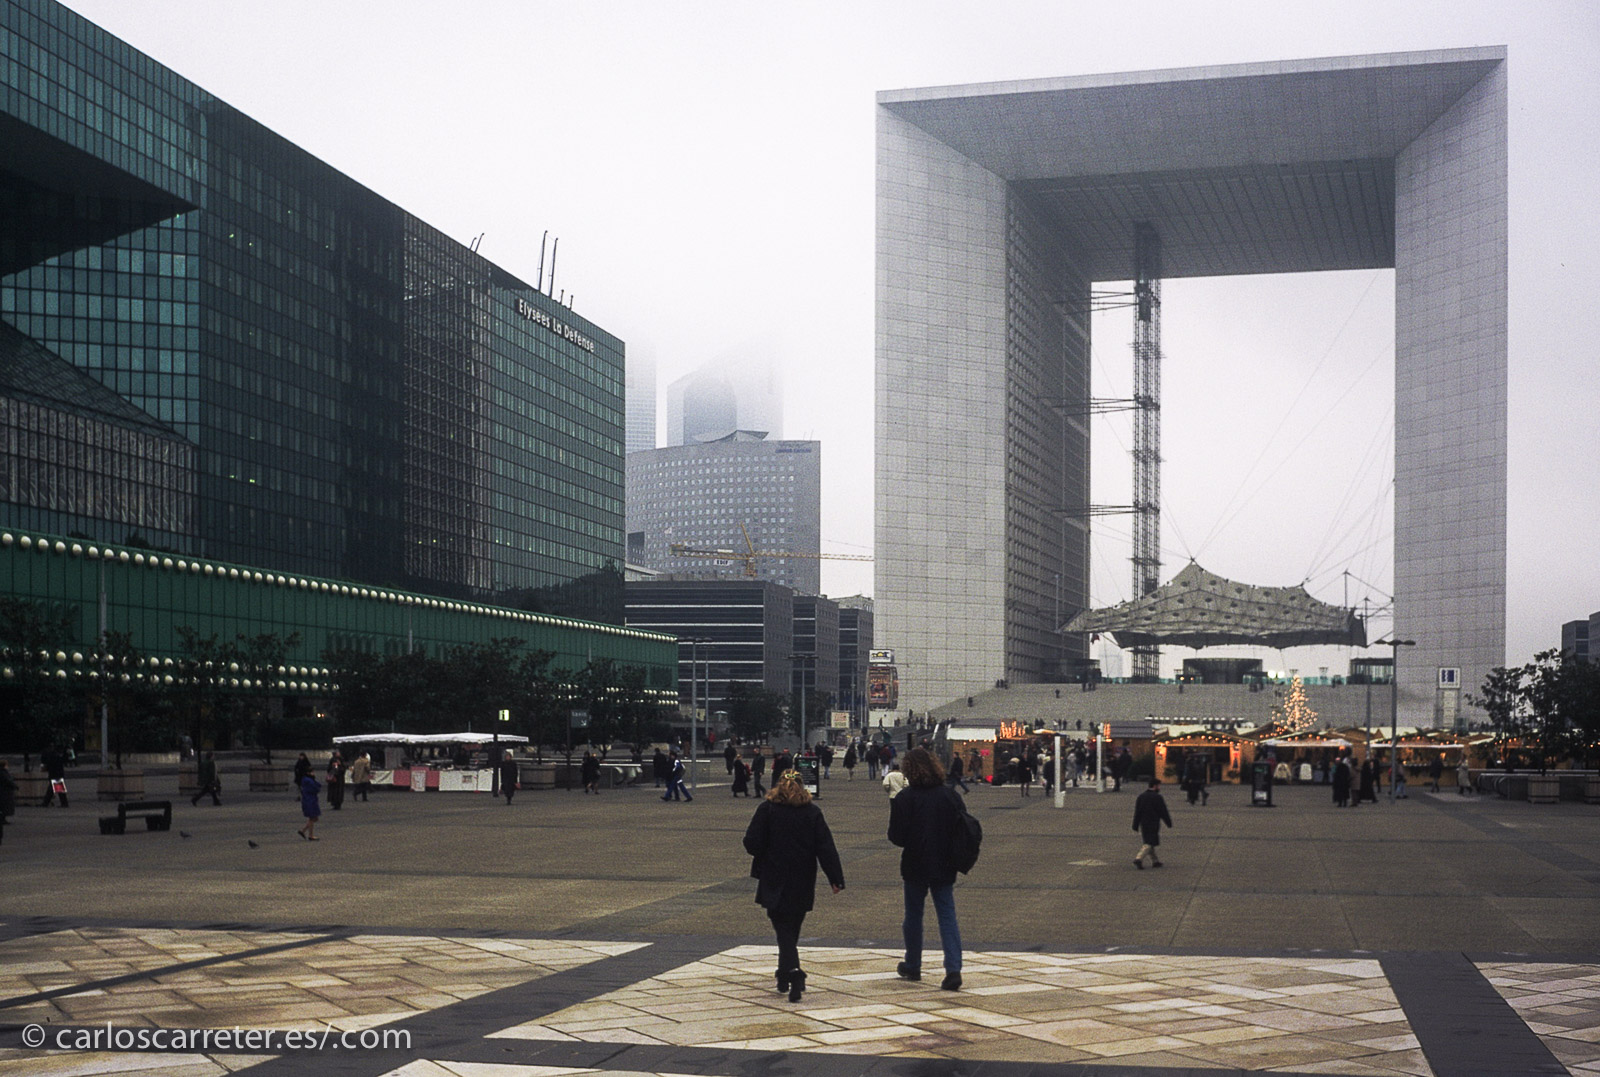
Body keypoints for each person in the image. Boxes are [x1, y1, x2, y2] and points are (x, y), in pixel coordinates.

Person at [743, 768, 845, 1002]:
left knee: (782, 927)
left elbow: (751, 842)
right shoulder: (812, 812)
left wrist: (765, 851)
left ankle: (794, 972)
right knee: (792, 927)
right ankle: (784, 973)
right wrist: (835, 878)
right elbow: (826, 847)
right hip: (802, 876)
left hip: (774, 876)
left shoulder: (767, 810)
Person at [887, 747, 965, 992]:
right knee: (947, 916)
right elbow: (962, 829)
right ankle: (953, 969)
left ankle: (913, 963)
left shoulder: (904, 798)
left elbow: (896, 837)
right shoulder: (950, 796)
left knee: (913, 916)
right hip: (944, 863)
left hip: (915, 863)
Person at [1132, 778, 1172, 869]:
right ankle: (1139, 858)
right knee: (1150, 842)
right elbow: (1163, 811)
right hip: (1153, 822)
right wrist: (1168, 822)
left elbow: (1137, 811)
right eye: (1159, 786)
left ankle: (1155, 861)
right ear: (1155, 786)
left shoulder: (1141, 796)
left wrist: (1135, 824)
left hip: (1143, 822)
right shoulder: (1157, 797)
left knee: (1149, 841)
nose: (1159, 787)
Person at [297, 770, 322, 840]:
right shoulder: (309, 781)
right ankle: (310, 835)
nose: (313, 773)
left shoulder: (306, 780)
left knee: (314, 818)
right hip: (310, 800)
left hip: (309, 800)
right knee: (312, 818)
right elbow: (315, 788)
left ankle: (303, 831)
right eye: (312, 772)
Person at [0, 759, 15, 845]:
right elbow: (8, 781)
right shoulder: (3, 773)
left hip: (5, 792)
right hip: (4, 793)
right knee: (5, 806)